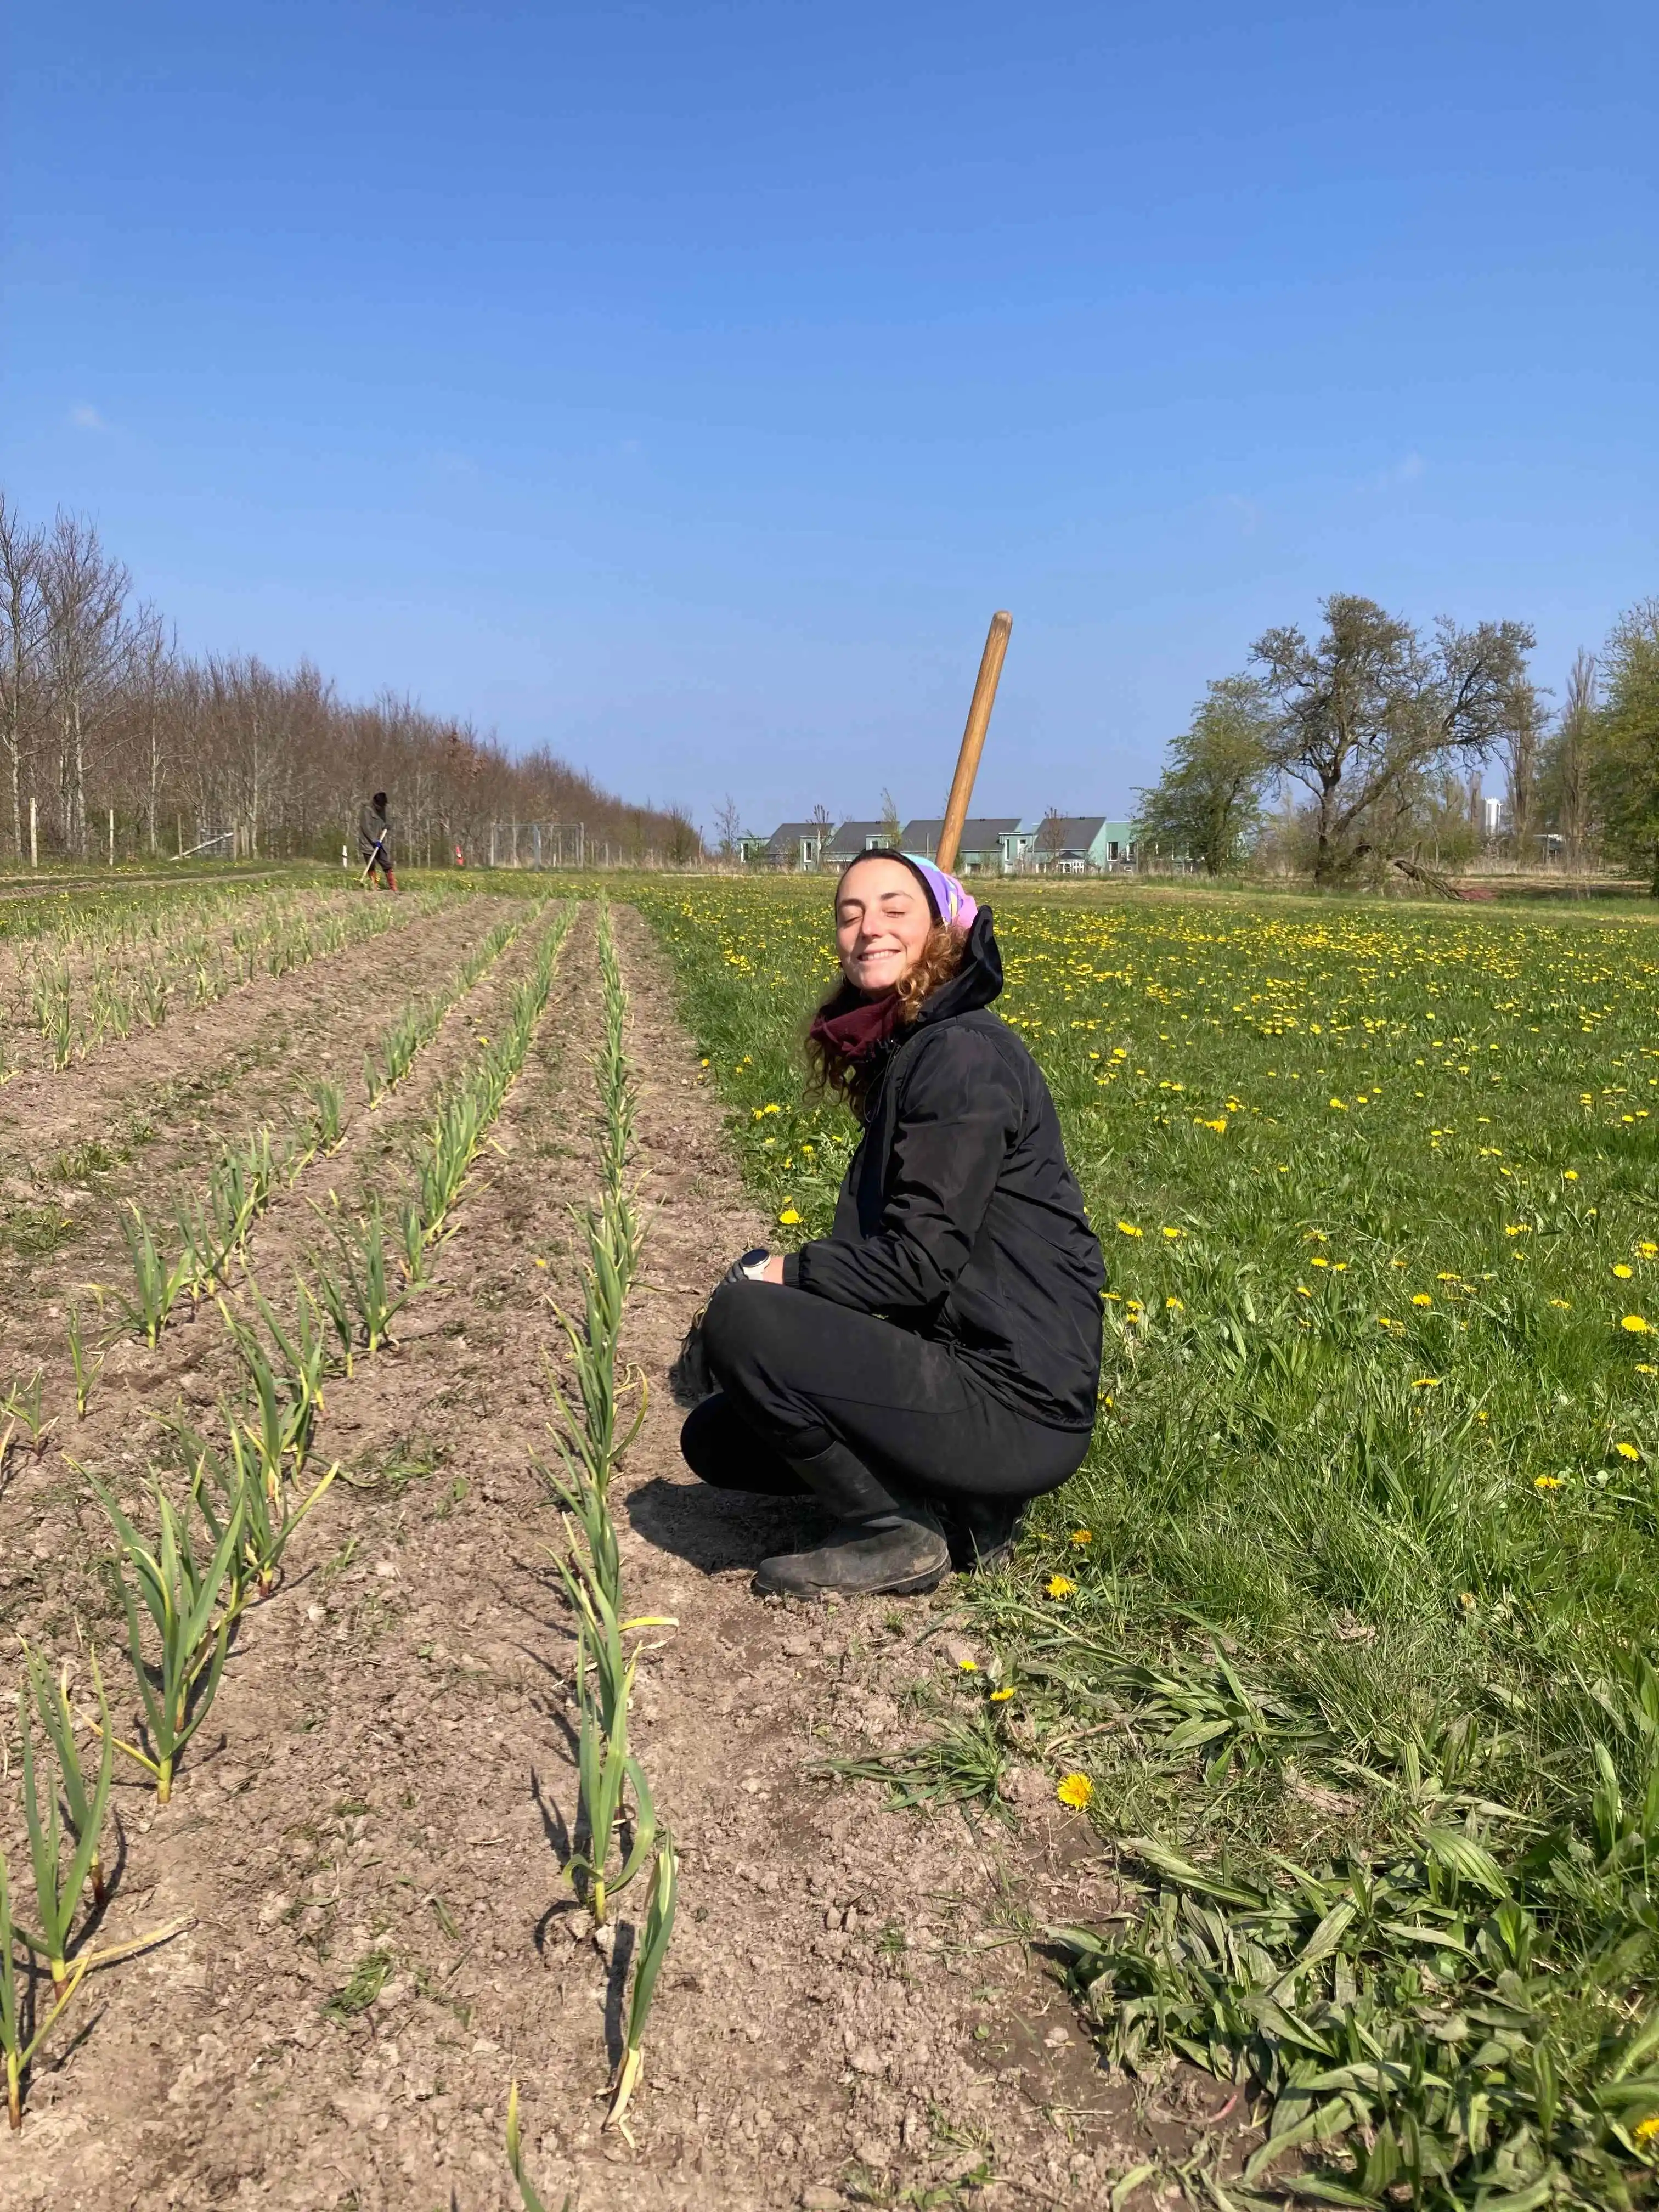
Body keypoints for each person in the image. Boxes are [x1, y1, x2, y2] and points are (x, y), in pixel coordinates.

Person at [680, 849, 1105, 1599]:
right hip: (969, 1373)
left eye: (894, 909)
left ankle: (895, 1533)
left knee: (746, 1317)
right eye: (850, 915)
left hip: (1017, 1402)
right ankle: (962, 1505)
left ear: (943, 932)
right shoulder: (920, 1050)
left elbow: (914, 1263)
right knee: (718, 1436)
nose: (867, 928)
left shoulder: (961, 1058)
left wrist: (775, 1278)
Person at [358, 791, 397, 891]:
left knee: (386, 864)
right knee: (371, 865)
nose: (381, 809)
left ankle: (393, 887)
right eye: (379, 807)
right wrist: (374, 841)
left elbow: (389, 820)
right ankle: (374, 886)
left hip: (380, 842)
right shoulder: (367, 811)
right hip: (368, 843)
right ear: (375, 803)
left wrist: (389, 825)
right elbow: (366, 828)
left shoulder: (384, 808)